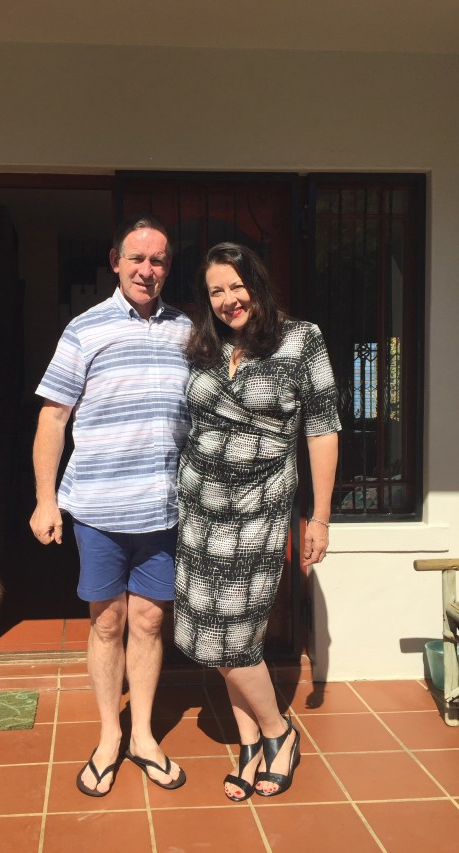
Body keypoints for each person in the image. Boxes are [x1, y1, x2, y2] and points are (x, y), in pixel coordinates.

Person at [30, 215, 191, 796]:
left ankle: (143, 735)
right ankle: (108, 736)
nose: (147, 270)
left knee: (149, 622)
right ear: (116, 261)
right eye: (137, 258)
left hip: (163, 509)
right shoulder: (84, 329)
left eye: (158, 260)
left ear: (168, 267)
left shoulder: (187, 330)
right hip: (98, 509)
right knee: (107, 623)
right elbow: (53, 417)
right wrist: (46, 499)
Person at [174, 242, 340, 801]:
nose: (228, 300)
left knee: (236, 633)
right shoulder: (204, 347)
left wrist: (319, 517)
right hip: (200, 511)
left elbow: (322, 429)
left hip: (259, 511)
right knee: (212, 632)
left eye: (236, 286)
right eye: (216, 291)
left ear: (257, 284)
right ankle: (249, 745)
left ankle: (278, 732)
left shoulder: (302, 340)